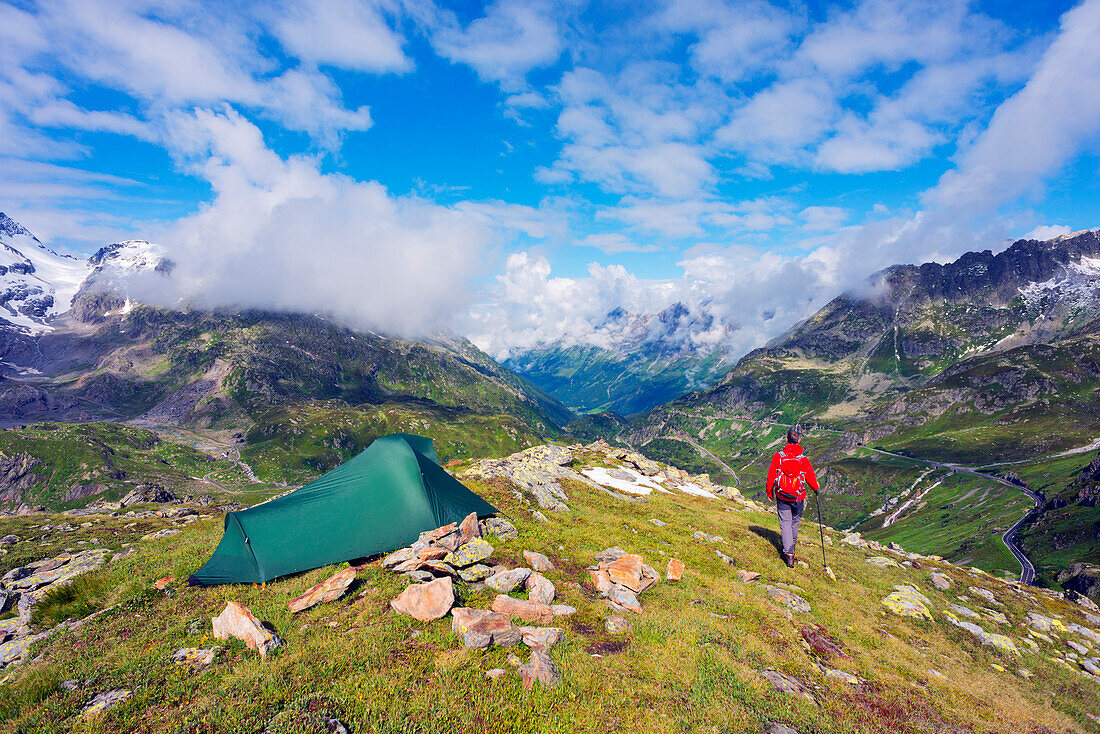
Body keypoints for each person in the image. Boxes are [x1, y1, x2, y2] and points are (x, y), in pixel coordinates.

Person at [766, 428, 820, 568]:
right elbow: (811, 478)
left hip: (782, 495)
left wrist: (769, 491)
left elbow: (771, 475)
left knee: (785, 523)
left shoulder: (779, 456)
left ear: (786, 440)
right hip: (798, 497)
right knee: (794, 523)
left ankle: (789, 554)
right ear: (799, 441)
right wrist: (816, 488)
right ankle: (791, 546)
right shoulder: (803, 459)